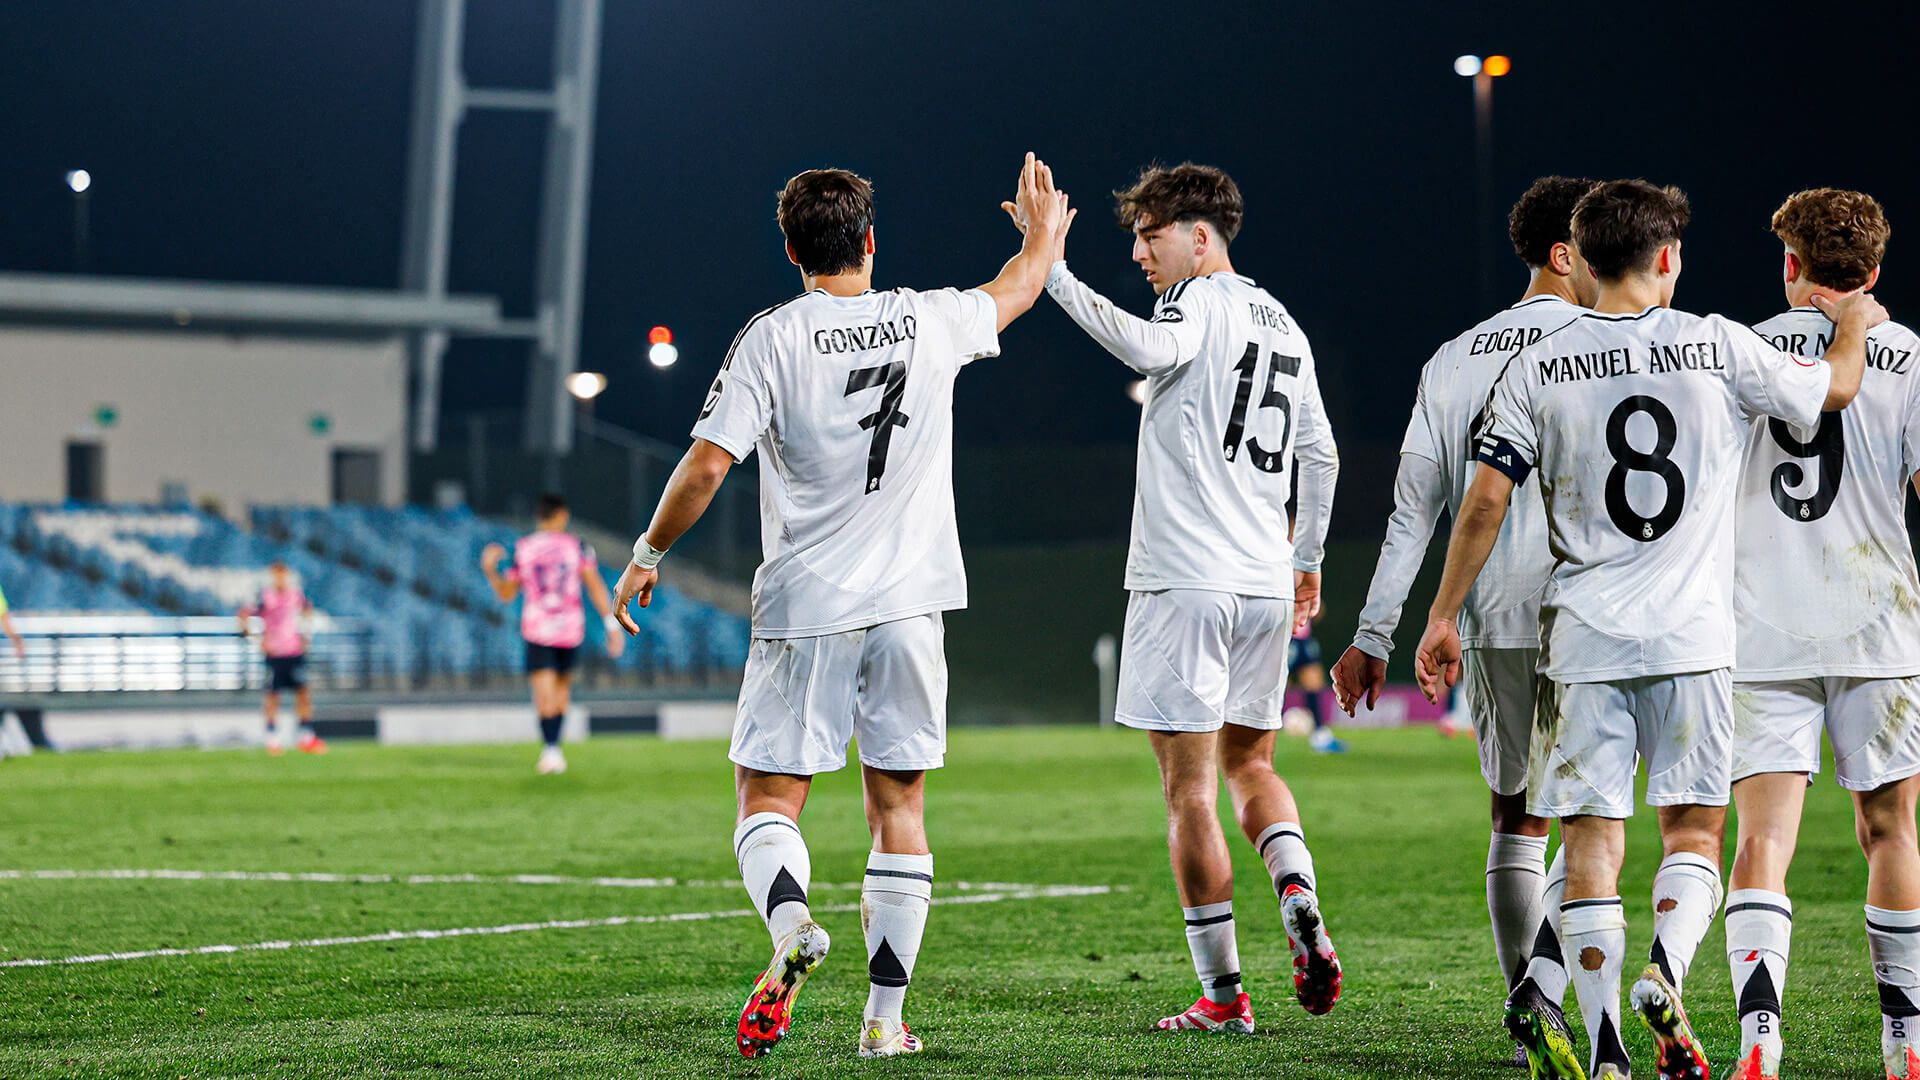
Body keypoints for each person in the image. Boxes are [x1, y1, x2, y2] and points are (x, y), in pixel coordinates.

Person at [1412, 179, 1884, 1080]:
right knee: (1697, 836)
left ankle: (1603, 1051)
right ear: (1668, 257)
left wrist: (1442, 616)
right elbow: (1833, 389)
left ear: (1582, 263)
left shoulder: (1535, 366)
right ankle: (1667, 968)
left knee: (1590, 845)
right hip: (1693, 640)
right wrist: (1853, 319)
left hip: (1581, 639)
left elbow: (1483, 499)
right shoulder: (1713, 344)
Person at [611, 155, 1073, 1059]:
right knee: (899, 807)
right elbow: (1018, 288)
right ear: (869, 240)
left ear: (792, 250)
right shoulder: (927, 317)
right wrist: (1042, 231)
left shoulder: (772, 337)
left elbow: (708, 464)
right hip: (913, 607)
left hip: (808, 604)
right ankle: (885, 1025)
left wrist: (645, 555)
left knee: (768, 800)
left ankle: (791, 932)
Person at [1036, 161, 1342, 1035]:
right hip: (1260, 584)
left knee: (1190, 794)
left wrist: (1050, 268)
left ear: (1200, 236)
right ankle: (1296, 888)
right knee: (1256, 767)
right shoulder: (1285, 324)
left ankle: (1223, 995)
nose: (1138, 251)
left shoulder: (1195, 303)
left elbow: (1147, 347)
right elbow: (1319, 455)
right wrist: (1307, 560)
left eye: (1150, 234)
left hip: (1185, 581)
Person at [1331, 175, 1597, 1074]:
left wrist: (1375, 635)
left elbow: (1413, 510)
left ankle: (1530, 1018)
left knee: (1517, 819)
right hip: (1599, 611)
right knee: (1596, 821)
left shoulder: (1451, 360)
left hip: (1491, 617)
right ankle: (1554, 1003)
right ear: (1567, 253)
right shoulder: (1610, 343)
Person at [1723, 189, 1920, 1080]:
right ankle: (1906, 1040)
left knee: (1764, 840)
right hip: (1879, 620)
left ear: (1791, 266)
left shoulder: (1739, 348)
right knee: (1891, 831)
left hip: (1763, 624)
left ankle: (1760, 1038)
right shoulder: (1909, 355)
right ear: (1874, 273)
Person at [481, 493, 623, 775]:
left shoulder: (524, 548)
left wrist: (490, 570)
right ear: (561, 515)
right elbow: (595, 587)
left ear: (538, 516)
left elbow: (508, 593)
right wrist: (611, 624)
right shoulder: (579, 547)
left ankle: (551, 748)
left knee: (545, 695)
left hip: (539, 630)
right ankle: (552, 749)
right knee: (560, 693)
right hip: (570, 629)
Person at [238, 561, 324, 755]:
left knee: (303, 694)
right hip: (275, 654)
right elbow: (243, 615)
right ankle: (272, 739)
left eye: (283, 574)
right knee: (272, 697)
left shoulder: (296, 595)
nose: (280, 578)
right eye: (276, 575)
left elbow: (308, 612)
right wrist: (255, 639)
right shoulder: (265, 597)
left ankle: (306, 737)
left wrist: (306, 636)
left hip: (294, 652)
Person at [1288, 618, 1343, 754]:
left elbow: (1318, 611)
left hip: (1303, 638)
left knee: (1314, 684)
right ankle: (1254, 734)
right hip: (1283, 636)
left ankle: (1320, 735)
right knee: (1274, 686)